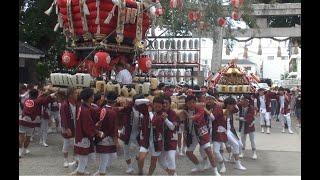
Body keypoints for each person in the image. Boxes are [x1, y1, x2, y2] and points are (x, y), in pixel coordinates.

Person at [183, 95, 220, 175]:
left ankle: (215, 170)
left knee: (209, 151)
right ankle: (199, 166)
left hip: (202, 133)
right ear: (186, 104)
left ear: (195, 102)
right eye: (189, 103)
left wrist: (192, 117)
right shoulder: (184, 110)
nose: (191, 104)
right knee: (188, 152)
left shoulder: (200, 108)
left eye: (193, 102)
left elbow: (199, 116)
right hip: (191, 134)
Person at [72, 88, 104, 175]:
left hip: (82, 137)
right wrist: (98, 132)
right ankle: (79, 170)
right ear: (90, 98)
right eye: (93, 96)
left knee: (91, 158)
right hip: (83, 138)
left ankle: (78, 165)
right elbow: (88, 127)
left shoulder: (82, 106)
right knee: (84, 163)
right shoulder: (85, 110)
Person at [19, 89, 56, 158]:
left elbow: (38, 98)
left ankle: (19, 152)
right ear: (36, 94)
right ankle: (24, 150)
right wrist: (52, 94)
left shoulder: (27, 99)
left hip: (23, 119)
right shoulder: (37, 101)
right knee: (28, 137)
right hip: (31, 121)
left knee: (21, 136)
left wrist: (40, 95)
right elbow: (45, 100)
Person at [119, 94, 149, 174]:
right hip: (127, 132)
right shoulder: (129, 108)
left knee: (139, 152)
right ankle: (129, 167)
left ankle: (137, 166)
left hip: (138, 134)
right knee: (126, 151)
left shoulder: (145, 111)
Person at [93, 91, 120, 175]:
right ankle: (101, 172)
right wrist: (116, 142)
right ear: (116, 101)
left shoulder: (103, 108)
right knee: (105, 159)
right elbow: (114, 129)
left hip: (102, 135)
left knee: (113, 156)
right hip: (106, 137)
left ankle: (101, 170)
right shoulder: (112, 112)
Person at [137, 97, 164, 175]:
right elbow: (136, 102)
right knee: (141, 158)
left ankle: (149, 175)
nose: (157, 108)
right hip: (145, 139)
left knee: (153, 161)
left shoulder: (162, 114)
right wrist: (147, 101)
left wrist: (150, 112)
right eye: (155, 106)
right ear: (153, 104)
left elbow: (154, 121)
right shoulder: (146, 109)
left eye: (159, 107)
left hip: (156, 141)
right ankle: (140, 170)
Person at [203, 94, 227, 173]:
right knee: (203, 149)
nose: (208, 101)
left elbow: (213, 118)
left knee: (216, 151)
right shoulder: (206, 107)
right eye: (207, 99)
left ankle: (222, 165)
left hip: (217, 130)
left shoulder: (218, 107)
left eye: (210, 99)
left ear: (214, 100)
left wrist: (205, 110)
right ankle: (207, 163)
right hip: (208, 130)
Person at [223, 96, 246, 170]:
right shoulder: (222, 111)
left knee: (240, 145)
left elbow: (237, 109)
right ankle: (237, 164)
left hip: (231, 130)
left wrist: (233, 101)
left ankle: (233, 158)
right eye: (232, 104)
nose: (234, 106)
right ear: (228, 105)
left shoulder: (231, 110)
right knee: (236, 145)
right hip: (225, 131)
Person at [157, 95, 178, 175]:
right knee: (161, 160)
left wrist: (165, 119)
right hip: (161, 140)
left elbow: (172, 127)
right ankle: (174, 174)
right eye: (163, 103)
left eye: (166, 103)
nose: (165, 105)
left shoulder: (172, 113)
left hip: (171, 139)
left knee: (171, 158)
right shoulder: (158, 112)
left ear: (170, 103)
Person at [60, 87, 79, 168]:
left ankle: (75, 159)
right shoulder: (64, 105)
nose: (77, 94)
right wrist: (67, 128)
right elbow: (63, 117)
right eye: (75, 93)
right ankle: (65, 160)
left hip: (75, 125)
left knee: (75, 143)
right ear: (70, 95)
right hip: (67, 126)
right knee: (66, 143)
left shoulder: (76, 103)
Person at [238, 94, 257, 160]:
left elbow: (249, 117)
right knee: (243, 139)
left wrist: (240, 118)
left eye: (242, 99)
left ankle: (254, 153)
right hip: (243, 125)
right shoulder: (240, 106)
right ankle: (242, 152)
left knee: (252, 139)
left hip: (250, 125)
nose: (241, 100)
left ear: (247, 101)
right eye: (241, 99)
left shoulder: (251, 108)